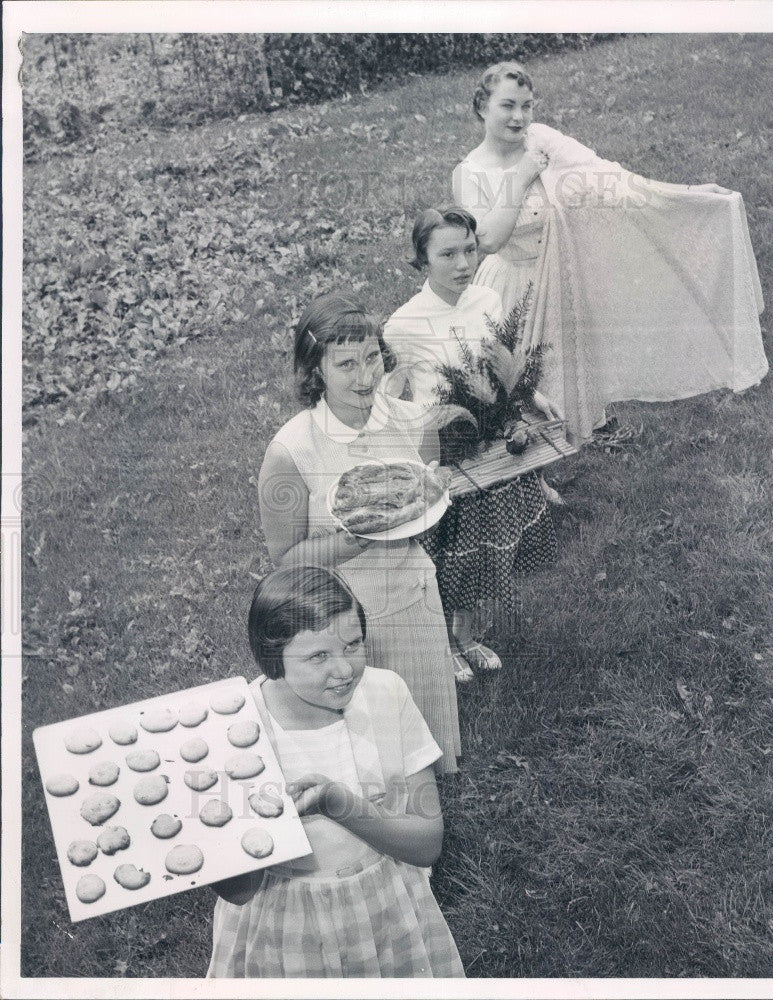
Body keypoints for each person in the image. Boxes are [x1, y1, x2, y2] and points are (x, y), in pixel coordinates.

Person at [453, 61, 769, 446]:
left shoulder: (541, 138)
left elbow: (608, 176)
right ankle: (531, 471)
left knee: (567, 373)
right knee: (515, 385)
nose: (519, 117)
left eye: (527, 105)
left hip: (561, 275)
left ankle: (578, 434)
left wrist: (688, 192)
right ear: (482, 106)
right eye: (507, 105)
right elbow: (487, 240)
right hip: (511, 285)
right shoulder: (469, 172)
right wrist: (520, 178)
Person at [208, 565, 465, 978]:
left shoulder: (386, 693)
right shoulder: (238, 729)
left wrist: (337, 803)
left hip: (384, 908)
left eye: (352, 644)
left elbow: (426, 844)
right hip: (283, 923)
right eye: (317, 657)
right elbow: (237, 891)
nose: (344, 669)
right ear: (274, 659)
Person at [257, 292, 460, 771]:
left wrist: (430, 495)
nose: (366, 377)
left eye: (372, 358)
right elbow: (285, 560)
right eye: (346, 364)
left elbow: (426, 501)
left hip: (412, 595)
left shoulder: (414, 422)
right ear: (315, 372)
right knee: (363, 754)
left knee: (419, 735)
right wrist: (357, 539)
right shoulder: (290, 452)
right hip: (338, 618)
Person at [384, 207, 557, 680]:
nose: (463, 264)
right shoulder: (403, 325)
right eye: (446, 254)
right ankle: (443, 644)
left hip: (494, 452)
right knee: (450, 559)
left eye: (469, 250)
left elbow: (501, 367)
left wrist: (533, 396)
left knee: (490, 551)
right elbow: (389, 400)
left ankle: (468, 637)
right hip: (446, 456)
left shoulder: (487, 300)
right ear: (421, 262)